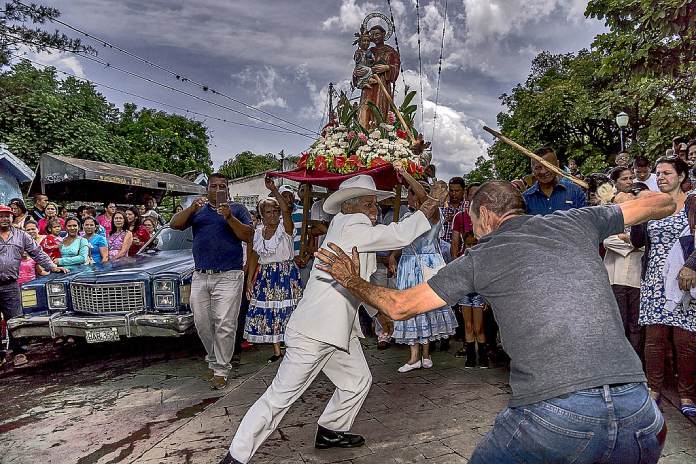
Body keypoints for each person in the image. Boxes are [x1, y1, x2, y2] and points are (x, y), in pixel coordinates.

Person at [316, 181, 674, 464]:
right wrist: (627, 197)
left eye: (473, 221)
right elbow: (662, 204)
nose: (473, 229)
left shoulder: (480, 256)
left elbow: (400, 306)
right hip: (641, 412)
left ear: (486, 215)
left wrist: (352, 280)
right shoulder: (578, 219)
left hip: (557, 417)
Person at [220, 175, 446, 464]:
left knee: (357, 381)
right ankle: (236, 456)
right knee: (279, 398)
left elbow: (357, 282)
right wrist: (432, 200)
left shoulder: (347, 227)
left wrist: (378, 314)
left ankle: (331, 430)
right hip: (315, 333)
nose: (374, 209)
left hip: (337, 331)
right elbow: (401, 234)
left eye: (375, 203)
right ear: (349, 207)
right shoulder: (353, 227)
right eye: (368, 203)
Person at [170, 173, 253, 390]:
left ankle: (221, 369)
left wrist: (228, 217)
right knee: (202, 322)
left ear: (228, 189)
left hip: (229, 275)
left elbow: (248, 235)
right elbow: (174, 225)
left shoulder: (237, 210)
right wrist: (191, 209)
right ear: (207, 189)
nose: (217, 189)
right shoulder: (199, 210)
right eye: (213, 186)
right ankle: (214, 359)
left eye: (222, 186)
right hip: (201, 274)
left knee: (224, 323)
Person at [630, 156, 695, 416]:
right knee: (654, 339)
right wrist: (638, 212)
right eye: (658, 173)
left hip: (684, 278)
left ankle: (687, 395)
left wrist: (692, 265)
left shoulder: (693, 202)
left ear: (681, 176)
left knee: (686, 339)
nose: (661, 177)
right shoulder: (654, 204)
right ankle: (653, 389)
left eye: (667, 173)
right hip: (655, 278)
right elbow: (637, 242)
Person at [389, 165, 456, 372]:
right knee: (410, 307)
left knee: (425, 306)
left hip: (427, 265)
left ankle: (426, 354)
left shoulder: (433, 214)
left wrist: (406, 174)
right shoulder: (408, 217)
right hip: (408, 265)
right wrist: (393, 256)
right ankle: (414, 356)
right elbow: (403, 241)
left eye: (411, 195)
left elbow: (422, 194)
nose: (409, 199)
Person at [244, 178, 303, 363]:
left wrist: (274, 190)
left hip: (285, 273)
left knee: (288, 310)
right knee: (271, 311)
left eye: (275, 211)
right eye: (268, 212)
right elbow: (254, 256)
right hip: (266, 275)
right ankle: (277, 351)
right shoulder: (258, 232)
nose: (272, 215)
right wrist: (250, 280)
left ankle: (293, 348)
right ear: (261, 215)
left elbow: (286, 209)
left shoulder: (286, 229)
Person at [1, 205, 68, 367]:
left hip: (11, 285)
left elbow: (37, 252)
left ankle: (19, 352)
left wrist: (52, 267)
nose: (4, 218)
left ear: (12, 217)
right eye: (1, 216)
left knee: (15, 320)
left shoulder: (21, 236)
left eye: (7, 215)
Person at [523, 147, 586, 215]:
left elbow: (585, 221)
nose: (543, 171)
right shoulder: (525, 199)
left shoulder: (575, 192)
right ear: (532, 169)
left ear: (557, 164)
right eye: (538, 168)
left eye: (548, 166)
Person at [439, 177, 466, 263]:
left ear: (463, 191)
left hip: (461, 252)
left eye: (457, 191)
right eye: (451, 190)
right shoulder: (442, 207)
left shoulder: (468, 207)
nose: (454, 194)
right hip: (441, 251)